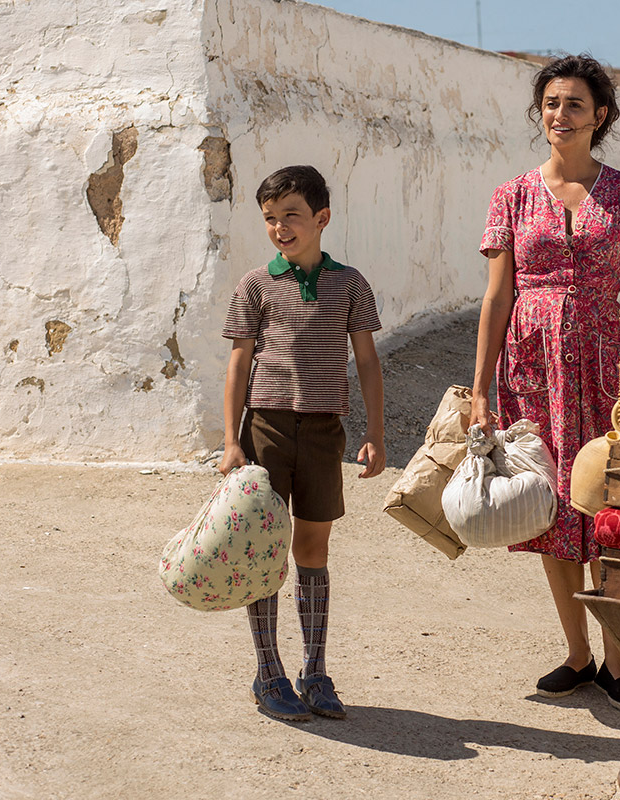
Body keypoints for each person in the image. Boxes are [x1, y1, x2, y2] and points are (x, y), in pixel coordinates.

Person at [470, 54, 620, 713]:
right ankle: (578, 655)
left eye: (575, 104)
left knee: (610, 509)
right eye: (551, 103)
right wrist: (480, 390)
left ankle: (618, 661)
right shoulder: (511, 196)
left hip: (607, 368)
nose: (560, 114)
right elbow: (496, 299)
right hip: (532, 368)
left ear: (599, 115)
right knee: (550, 510)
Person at [218, 165, 386, 721]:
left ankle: (315, 671)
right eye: (270, 218)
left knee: (312, 552)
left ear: (322, 218)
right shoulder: (254, 285)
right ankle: (269, 673)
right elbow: (239, 363)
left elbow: (366, 360)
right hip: (264, 429)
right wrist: (230, 441)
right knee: (264, 555)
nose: (280, 227)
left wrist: (376, 434)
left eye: (291, 215)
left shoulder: (350, 283)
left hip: (321, 433)